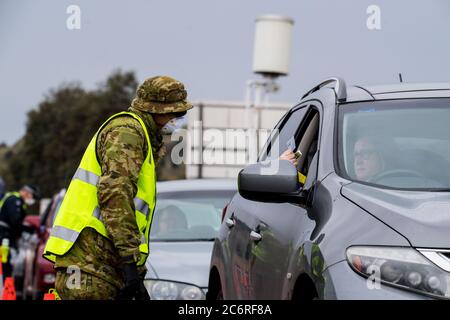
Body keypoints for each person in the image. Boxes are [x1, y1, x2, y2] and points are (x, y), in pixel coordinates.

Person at [43, 76, 193, 300]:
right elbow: (115, 195)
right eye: (175, 113)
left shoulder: (140, 134)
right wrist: (130, 265)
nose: (175, 120)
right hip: (90, 265)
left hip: (101, 265)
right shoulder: (128, 133)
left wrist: (133, 271)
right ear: (157, 110)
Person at [0, 184, 40, 278]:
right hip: (4, 235)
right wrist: (29, 229)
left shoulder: (18, 201)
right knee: (6, 260)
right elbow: (15, 221)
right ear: (26, 192)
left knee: (7, 261)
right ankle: (6, 281)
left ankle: (7, 280)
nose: (32, 199)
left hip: (7, 235)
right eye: (32, 196)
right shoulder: (14, 200)